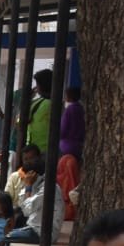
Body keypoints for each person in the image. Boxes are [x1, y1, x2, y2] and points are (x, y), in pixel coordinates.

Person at [56, 87, 84, 219]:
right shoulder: (81, 109)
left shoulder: (69, 110)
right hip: (79, 146)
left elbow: (62, 129)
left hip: (68, 147)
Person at [22, 68, 53, 153]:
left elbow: (20, 122)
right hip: (52, 150)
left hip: (36, 151)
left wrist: (27, 99)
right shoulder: (60, 104)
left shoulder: (36, 103)